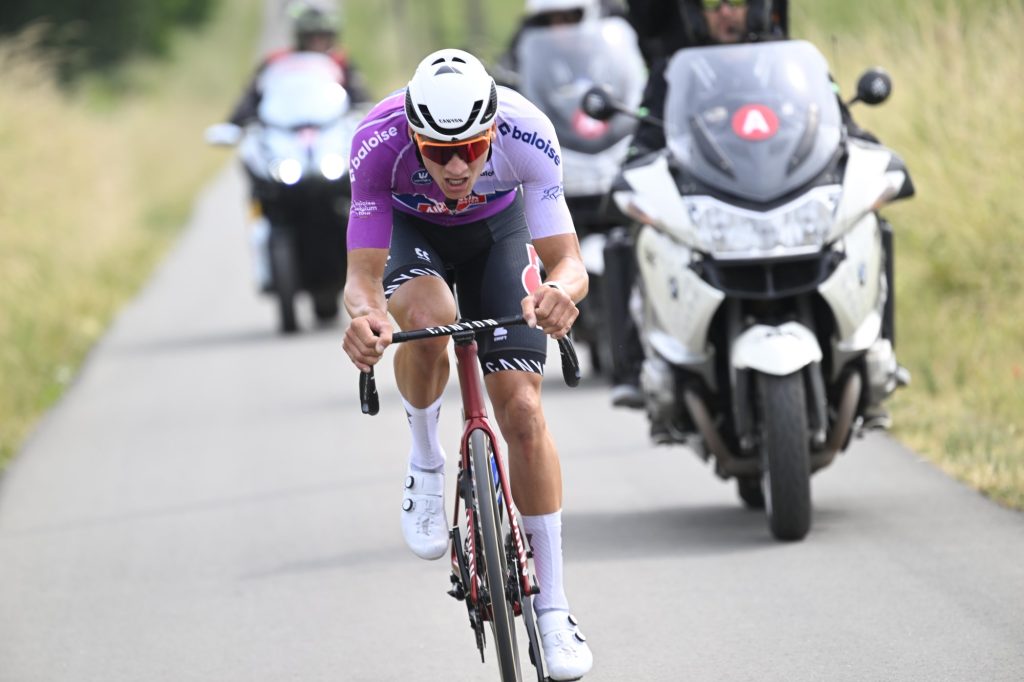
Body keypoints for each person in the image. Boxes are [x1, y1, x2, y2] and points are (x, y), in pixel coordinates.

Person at [341, 48, 594, 681]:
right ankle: (426, 459)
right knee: (426, 320)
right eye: (438, 153)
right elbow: (362, 282)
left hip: (497, 235)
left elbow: (568, 261)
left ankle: (554, 610)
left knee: (525, 411)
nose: (456, 167)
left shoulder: (527, 130)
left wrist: (561, 294)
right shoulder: (377, 143)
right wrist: (368, 322)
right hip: (411, 233)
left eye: (473, 150)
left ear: (491, 130)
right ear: (414, 134)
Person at [225, 3, 369, 127]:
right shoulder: (277, 60)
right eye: (311, 36)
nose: (317, 41)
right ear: (300, 36)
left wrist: (363, 112)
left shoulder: (340, 61)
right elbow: (252, 95)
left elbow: (359, 96)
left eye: (323, 36)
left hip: (330, 130)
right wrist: (236, 122)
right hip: (282, 128)